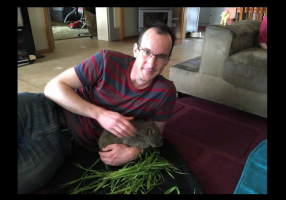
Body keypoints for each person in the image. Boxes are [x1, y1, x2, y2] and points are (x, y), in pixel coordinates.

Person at [18, 22, 177, 194]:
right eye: (147, 52)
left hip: (61, 144)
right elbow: (53, 87)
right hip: (41, 107)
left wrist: (134, 152)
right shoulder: (106, 60)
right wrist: (100, 114)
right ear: (135, 50)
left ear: (167, 60)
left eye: (161, 56)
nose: (151, 63)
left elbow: (156, 136)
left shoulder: (165, 92)